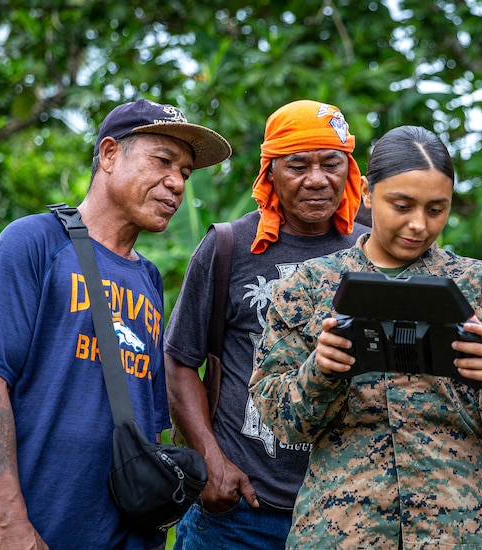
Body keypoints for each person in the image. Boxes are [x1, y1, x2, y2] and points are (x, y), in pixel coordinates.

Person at [249, 125, 482, 549]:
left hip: (463, 529)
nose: (418, 225)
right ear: (368, 193)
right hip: (342, 530)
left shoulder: (481, 286)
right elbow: (279, 421)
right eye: (402, 205)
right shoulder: (310, 286)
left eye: (436, 209)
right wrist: (319, 371)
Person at [0, 98, 232, 549]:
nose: (176, 183)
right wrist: (7, 519)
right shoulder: (34, 243)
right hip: (32, 530)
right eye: (163, 161)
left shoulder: (149, 278)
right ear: (110, 155)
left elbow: (152, 425)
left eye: (186, 174)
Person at [164, 99, 369, 549]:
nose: (317, 180)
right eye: (297, 165)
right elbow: (179, 361)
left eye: (331, 163)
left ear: (350, 170)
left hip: (346, 515)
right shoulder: (229, 246)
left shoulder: (374, 249)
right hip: (238, 516)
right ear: (269, 173)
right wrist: (212, 461)